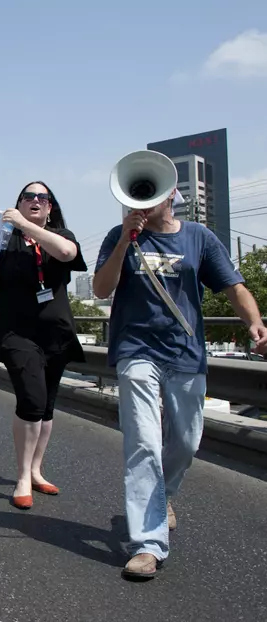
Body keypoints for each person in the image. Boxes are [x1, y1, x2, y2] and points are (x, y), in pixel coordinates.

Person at [93, 190, 267, 581]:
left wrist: (253, 322)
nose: (141, 200)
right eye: (135, 194)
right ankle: (147, 544)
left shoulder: (199, 238)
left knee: (186, 441)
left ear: (172, 194)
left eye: (150, 192)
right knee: (143, 443)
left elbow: (234, 287)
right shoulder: (117, 236)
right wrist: (124, 239)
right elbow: (102, 289)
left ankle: (163, 493)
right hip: (135, 349)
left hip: (185, 353)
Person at [0, 182, 86, 511]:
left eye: (43, 197)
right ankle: (22, 477)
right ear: (19, 203)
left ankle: (37, 470)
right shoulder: (4, 241)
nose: (36, 201)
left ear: (50, 207)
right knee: (31, 399)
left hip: (55, 332)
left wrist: (26, 226)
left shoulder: (62, 236)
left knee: (47, 407)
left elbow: (67, 254)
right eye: (29, 197)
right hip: (16, 332)